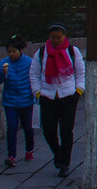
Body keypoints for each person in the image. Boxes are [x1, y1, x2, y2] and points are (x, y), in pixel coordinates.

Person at [30, 22, 86, 178]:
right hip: (48, 96)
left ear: (64, 36)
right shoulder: (41, 53)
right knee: (48, 130)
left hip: (68, 95)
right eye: (53, 37)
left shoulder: (72, 51)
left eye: (58, 37)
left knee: (66, 131)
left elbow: (80, 72)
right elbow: (34, 74)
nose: (55, 40)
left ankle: (64, 163)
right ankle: (57, 153)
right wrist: (38, 92)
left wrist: (79, 90)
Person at [0, 35, 36, 168]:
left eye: (14, 51)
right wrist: (2, 72)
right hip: (10, 102)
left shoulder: (29, 62)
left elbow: (35, 78)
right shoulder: (4, 63)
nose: (11, 54)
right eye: (9, 51)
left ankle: (29, 150)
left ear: (20, 50)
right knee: (11, 128)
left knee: (28, 127)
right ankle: (11, 155)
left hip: (26, 101)